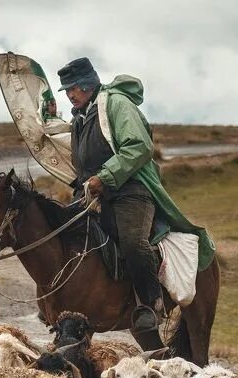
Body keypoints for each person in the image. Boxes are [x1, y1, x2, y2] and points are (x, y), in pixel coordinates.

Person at [57, 57, 165, 343]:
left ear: (88, 85)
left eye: (74, 88)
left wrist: (105, 177)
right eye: (67, 89)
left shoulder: (117, 104)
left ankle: (150, 303)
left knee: (132, 241)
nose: (70, 94)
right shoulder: (80, 117)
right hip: (94, 193)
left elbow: (139, 147)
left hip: (132, 190)